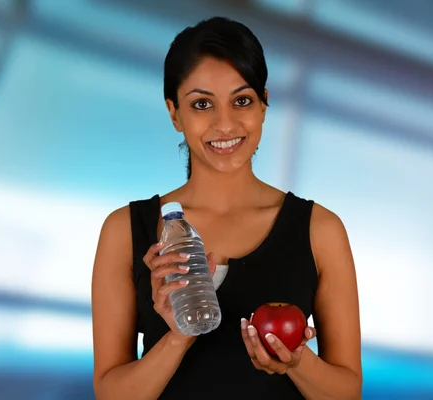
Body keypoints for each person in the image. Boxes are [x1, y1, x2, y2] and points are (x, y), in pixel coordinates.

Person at [91, 16, 362, 400]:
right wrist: (179, 336)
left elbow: (348, 391)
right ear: (174, 113)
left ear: (264, 105)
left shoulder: (321, 230)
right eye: (202, 104)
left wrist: (298, 363)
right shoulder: (124, 231)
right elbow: (110, 394)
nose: (225, 123)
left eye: (242, 100)